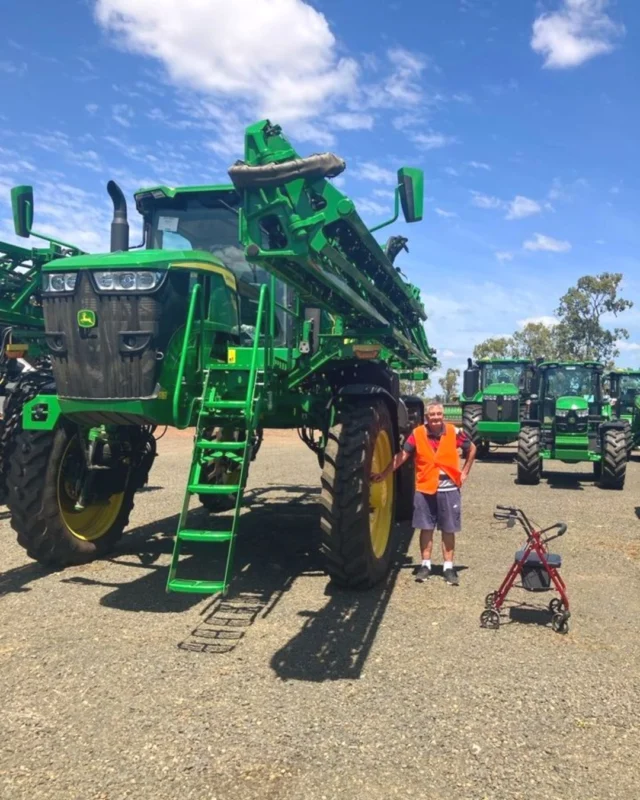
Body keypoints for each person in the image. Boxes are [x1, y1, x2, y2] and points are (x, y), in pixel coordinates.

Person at [371, 402, 476, 585]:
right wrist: (384, 473)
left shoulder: (453, 432)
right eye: (432, 414)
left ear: (443, 415)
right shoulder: (417, 434)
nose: (435, 417)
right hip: (425, 488)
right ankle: (425, 565)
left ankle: (448, 567)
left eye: (438, 414)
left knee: (448, 528)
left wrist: (465, 472)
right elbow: (402, 455)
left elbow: (472, 448)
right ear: (427, 417)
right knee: (425, 528)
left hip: (449, 488)